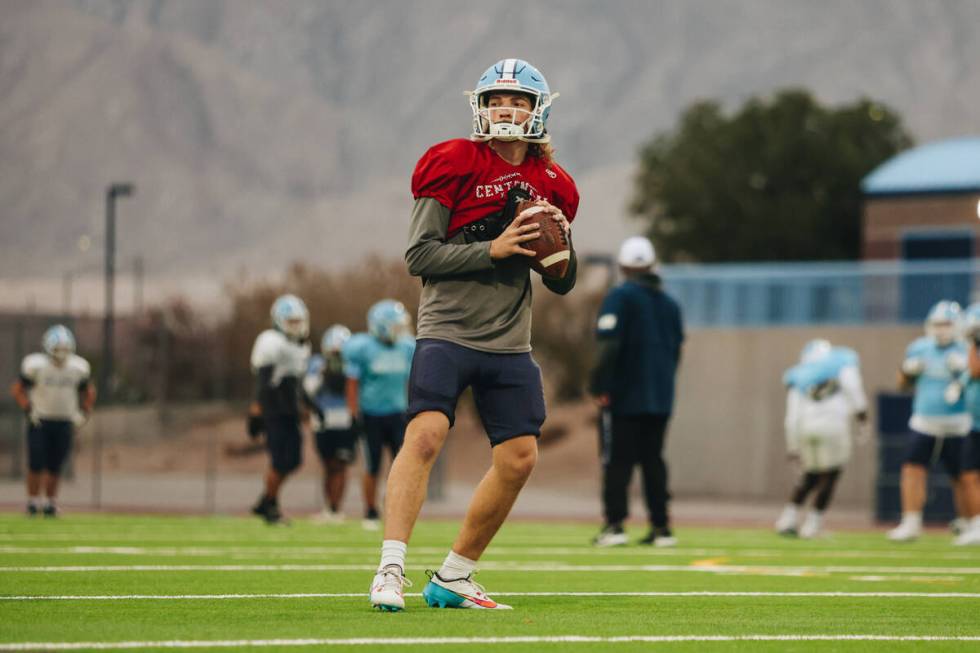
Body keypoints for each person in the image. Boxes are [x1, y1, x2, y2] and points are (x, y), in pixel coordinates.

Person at [368, 58, 579, 612]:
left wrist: (553, 253)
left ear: (539, 109)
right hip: (448, 329)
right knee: (426, 436)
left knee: (520, 457)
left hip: (510, 339)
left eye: (518, 100)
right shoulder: (453, 161)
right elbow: (419, 255)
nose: (505, 108)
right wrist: (494, 247)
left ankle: (455, 575)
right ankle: (391, 568)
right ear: (479, 108)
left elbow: (563, 280)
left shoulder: (555, 183)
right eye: (495, 100)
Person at [588, 236, 683, 547]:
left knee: (617, 461)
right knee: (654, 460)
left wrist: (600, 385)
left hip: (624, 395)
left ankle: (614, 525)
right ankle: (661, 527)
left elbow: (608, 345)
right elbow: (676, 351)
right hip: (660, 396)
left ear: (623, 267)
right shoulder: (670, 304)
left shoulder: (620, 297)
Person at [888, 300, 969, 541]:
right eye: (937, 324)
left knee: (963, 475)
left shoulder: (967, 348)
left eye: (947, 324)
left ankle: (968, 522)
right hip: (924, 420)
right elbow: (901, 385)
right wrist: (906, 371)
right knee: (912, 469)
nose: (941, 329)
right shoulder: (919, 348)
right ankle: (911, 522)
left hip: (958, 422)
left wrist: (963, 372)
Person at [775, 339, 868, 538]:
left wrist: (793, 446)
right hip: (833, 426)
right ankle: (812, 524)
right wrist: (862, 416)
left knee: (810, 475)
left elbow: (792, 416)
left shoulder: (798, 375)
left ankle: (788, 518)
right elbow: (853, 388)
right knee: (831, 475)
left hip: (805, 429)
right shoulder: (842, 364)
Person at [343, 300, 416, 530]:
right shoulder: (363, 348)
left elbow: (412, 381)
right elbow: (352, 383)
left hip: (398, 414)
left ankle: (395, 509)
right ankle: (370, 510)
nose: (399, 330)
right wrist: (353, 414)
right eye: (394, 326)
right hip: (372, 414)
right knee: (372, 465)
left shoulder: (406, 347)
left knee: (401, 466)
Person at [10, 325, 95, 517]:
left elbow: (89, 391)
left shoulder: (78, 367)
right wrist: (28, 409)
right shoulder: (36, 365)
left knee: (55, 465)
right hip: (40, 420)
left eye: (64, 349)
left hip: (64, 421)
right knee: (36, 463)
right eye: (57, 349)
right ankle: (32, 501)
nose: (61, 354)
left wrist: (84, 413)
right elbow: (17, 389)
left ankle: (50, 503)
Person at [248, 294, 312, 525]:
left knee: (293, 460)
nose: (296, 326)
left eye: (298, 321)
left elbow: (297, 382)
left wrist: (309, 406)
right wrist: (256, 411)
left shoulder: (301, 346)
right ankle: (270, 505)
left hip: (290, 411)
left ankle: (266, 500)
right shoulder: (270, 341)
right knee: (279, 461)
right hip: (273, 410)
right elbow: (263, 381)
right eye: (291, 321)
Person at [304, 324, 356, 524]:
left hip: (344, 420)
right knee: (328, 466)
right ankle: (329, 507)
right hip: (323, 421)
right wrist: (324, 373)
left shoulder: (352, 365)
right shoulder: (317, 363)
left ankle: (336, 508)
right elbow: (308, 390)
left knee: (341, 465)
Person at [953, 302, 980, 545]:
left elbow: (975, 371)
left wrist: (974, 344)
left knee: (970, 475)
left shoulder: (974, 350)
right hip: (975, 423)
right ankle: (977, 524)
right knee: (969, 475)